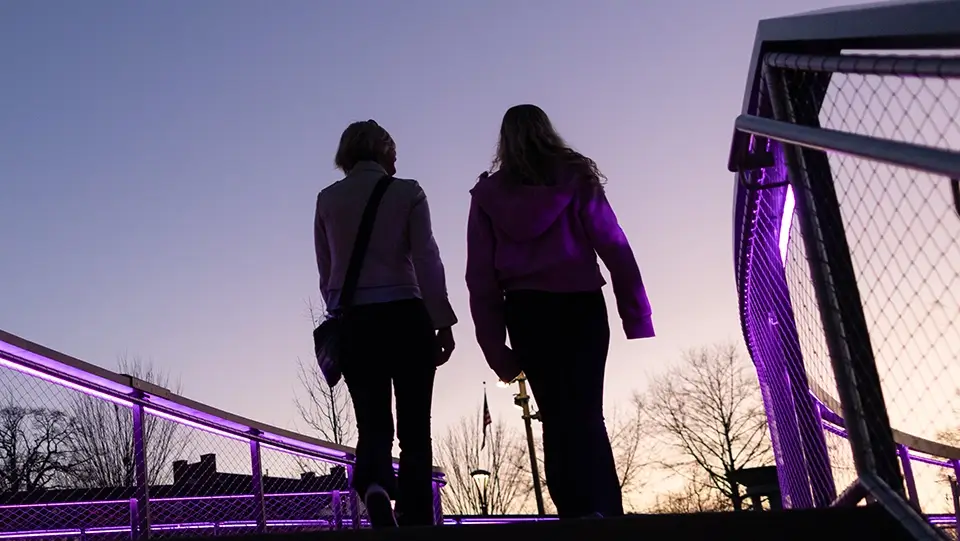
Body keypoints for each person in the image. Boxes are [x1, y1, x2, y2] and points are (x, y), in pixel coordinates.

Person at [465, 104, 654, 519]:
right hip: (581, 304)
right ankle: (606, 511)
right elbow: (613, 243)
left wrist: (494, 348)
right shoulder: (575, 177)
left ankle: (575, 514)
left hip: (528, 311)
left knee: (555, 416)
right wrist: (636, 313)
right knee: (587, 412)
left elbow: (480, 277)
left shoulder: (489, 197)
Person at [314, 120, 457, 528]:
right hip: (407, 316)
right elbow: (427, 258)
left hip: (357, 321)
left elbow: (327, 271)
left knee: (372, 422)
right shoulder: (409, 192)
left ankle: (375, 485)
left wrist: (339, 313)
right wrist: (442, 319)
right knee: (416, 427)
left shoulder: (327, 200)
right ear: (384, 150)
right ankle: (414, 515)